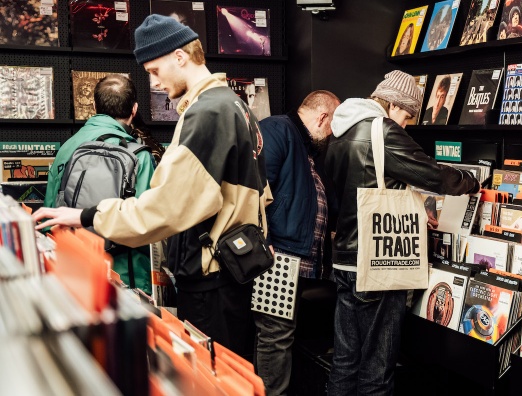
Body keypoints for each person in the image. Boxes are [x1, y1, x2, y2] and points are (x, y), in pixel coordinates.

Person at [33, 14, 271, 358]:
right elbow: (261, 192)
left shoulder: (207, 113)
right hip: (232, 273)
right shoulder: (234, 104)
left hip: (211, 280)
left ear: (180, 56)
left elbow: (163, 208)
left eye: (154, 71)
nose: (154, 83)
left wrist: (87, 216)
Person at [325, 70, 481, 395]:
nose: (406, 124)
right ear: (394, 105)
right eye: (407, 116)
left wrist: (414, 208)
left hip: (342, 262)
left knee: (344, 363)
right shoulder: (382, 131)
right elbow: (433, 174)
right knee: (376, 372)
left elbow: (360, 188)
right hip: (377, 266)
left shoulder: (341, 132)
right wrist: (472, 180)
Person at [254, 90, 340, 396]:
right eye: (332, 126)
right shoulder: (277, 130)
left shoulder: (304, 145)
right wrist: (264, 242)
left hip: (296, 258)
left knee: (281, 335)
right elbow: (255, 189)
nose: (332, 135)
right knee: (276, 336)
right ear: (322, 118)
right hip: (279, 257)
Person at [43, 74, 156, 295]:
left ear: (94, 106)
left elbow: (51, 213)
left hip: (75, 266)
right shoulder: (139, 155)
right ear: (134, 110)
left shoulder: (68, 147)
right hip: (126, 275)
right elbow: (147, 221)